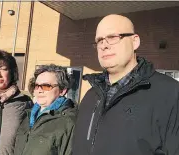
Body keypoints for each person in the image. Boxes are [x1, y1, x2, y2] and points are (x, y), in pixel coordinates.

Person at [72, 14, 179, 155]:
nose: (104, 45)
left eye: (112, 37)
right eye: (99, 40)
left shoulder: (169, 93)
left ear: (135, 42)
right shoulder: (90, 96)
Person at [14, 64, 77, 155]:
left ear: (62, 90)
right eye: (37, 86)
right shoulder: (27, 116)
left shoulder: (69, 122)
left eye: (46, 86)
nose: (39, 90)